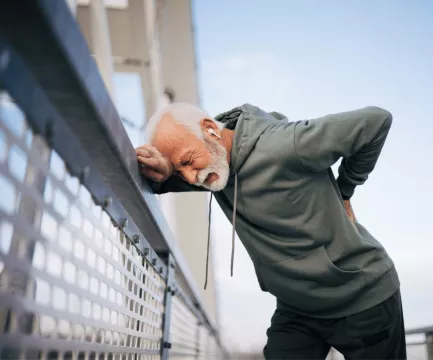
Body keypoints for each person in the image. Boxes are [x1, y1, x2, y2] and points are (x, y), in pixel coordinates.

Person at [136, 103, 406, 359]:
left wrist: (345, 189)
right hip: (297, 307)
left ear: (210, 129)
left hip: (362, 297)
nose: (193, 178)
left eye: (187, 161)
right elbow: (157, 181)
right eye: (181, 171)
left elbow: (376, 121)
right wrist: (168, 168)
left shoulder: (284, 145)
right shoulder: (211, 167)